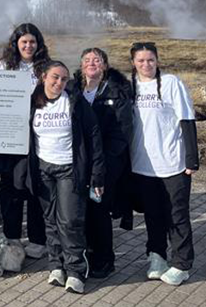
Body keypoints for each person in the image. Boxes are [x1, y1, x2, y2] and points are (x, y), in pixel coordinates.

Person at [23, 60, 104, 294]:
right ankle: (56, 265)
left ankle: (76, 270)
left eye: (64, 78)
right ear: (43, 78)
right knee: (50, 220)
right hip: (43, 169)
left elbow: (94, 136)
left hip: (70, 168)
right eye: (55, 77)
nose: (59, 82)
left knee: (70, 221)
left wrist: (98, 174)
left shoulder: (75, 103)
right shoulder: (32, 103)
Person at [0, 23, 49, 258]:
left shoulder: (46, 68)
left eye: (32, 42)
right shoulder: (5, 66)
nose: (28, 46)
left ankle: (38, 238)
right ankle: (13, 236)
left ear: (39, 44)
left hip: (39, 137)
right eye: (24, 42)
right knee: (12, 188)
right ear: (16, 44)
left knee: (37, 187)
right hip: (11, 137)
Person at [130, 42, 199, 286]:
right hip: (142, 165)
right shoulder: (131, 87)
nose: (146, 65)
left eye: (150, 60)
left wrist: (191, 159)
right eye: (141, 61)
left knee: (176, 215)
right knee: (152, 215)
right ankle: (156, 256)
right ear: (133, 63)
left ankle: (182, 263)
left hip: (172, 163)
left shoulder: (171, 83)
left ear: (157, 60)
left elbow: (187, 118)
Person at [67, 48, 134, 278]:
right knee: (78, 211)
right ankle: (83, 255)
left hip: (105, 163)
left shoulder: (117, 92)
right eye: (87, 60)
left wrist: (104, 163)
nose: (91, 63)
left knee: (99, 211)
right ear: (81, 65)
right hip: (77, 162)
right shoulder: (73, 90)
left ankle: (104, 260)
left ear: (105, 66)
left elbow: (122, 132)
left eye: (97, 60)